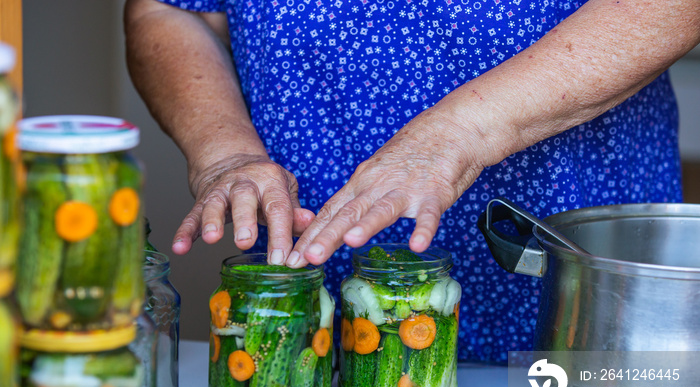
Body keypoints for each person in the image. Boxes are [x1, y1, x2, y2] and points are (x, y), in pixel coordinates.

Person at [124, 0, 700, 362]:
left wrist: (457, 135)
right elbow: (172, 9)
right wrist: (224, 153)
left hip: (576, 304)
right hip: (324, 324)